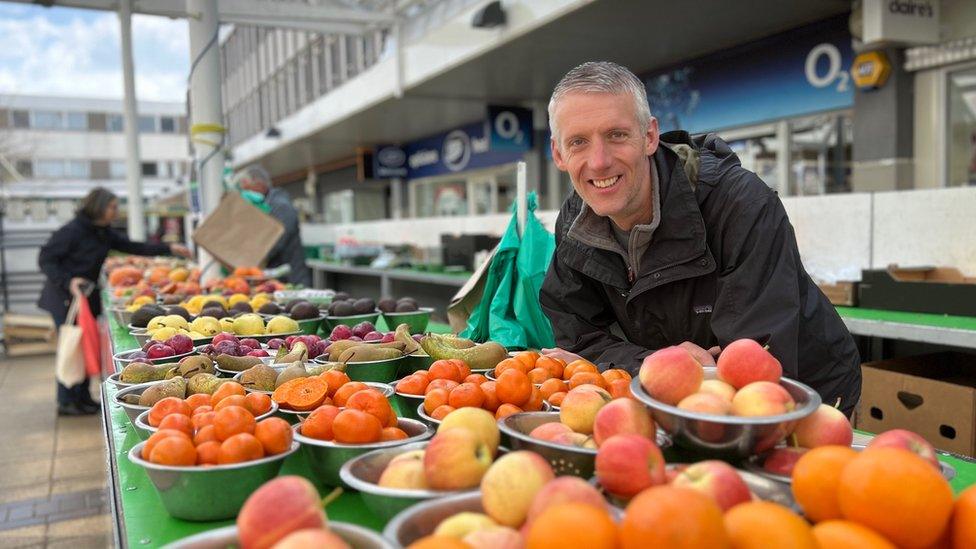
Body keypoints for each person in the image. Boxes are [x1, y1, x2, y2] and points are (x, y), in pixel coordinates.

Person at [539, 61, 861, 415]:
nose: (598, 162)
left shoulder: (739, 205)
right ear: (558, 154)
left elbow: (757, 364)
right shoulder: (575, 221)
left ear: (649, 136)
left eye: (616, 135)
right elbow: (577, 340)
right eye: (579, 142)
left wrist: (653, 366)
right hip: (682, 397)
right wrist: (655, 362)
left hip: (806, 396)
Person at [38, 188, 192, 416]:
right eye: (112, 206)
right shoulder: (73, 231)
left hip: (84, 296)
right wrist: (68, 280)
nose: (115, 211)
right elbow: (46, 258)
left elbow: (134, 246)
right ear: (98, 206)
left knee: (84, 346)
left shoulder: (102, 232)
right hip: (64, 297)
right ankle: (67, 400)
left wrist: (169, 248)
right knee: (72, 347)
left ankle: (81, 397)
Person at [233, 165, 312, 287]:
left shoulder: (280, 206)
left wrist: (248, 259)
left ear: (259, 185)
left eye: (246, 189)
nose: (244, 194)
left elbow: (275, 240)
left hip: (291, 280)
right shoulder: (264, 205)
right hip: (275, 279)